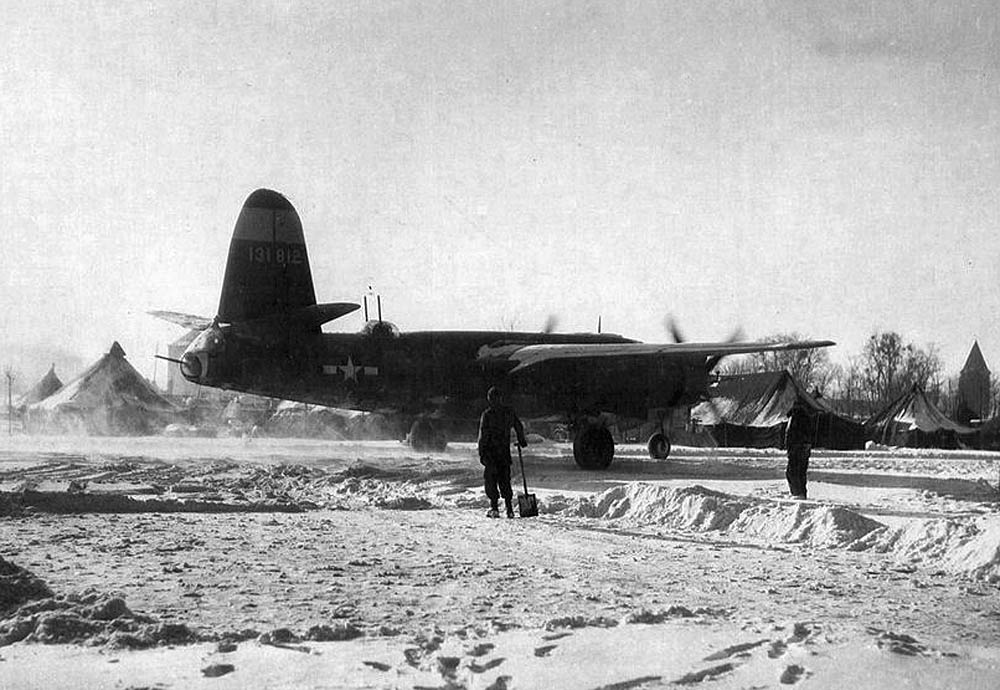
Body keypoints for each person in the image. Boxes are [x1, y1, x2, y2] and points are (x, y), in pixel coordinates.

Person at [477, 386, 528, 518]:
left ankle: (494, 509)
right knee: (505, 479)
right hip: (504, 453)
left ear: (490, 399)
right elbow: (518, 425)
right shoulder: (508, 412)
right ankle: (509, 509)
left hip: (491, 454)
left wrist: (482, 453)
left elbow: (483, 436)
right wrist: (521, 440)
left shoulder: (487, 415)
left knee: (491, 481)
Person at [784, 401, 813, 499]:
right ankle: (800, 493)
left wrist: (792, 448)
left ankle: (797, 494)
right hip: (801, 448)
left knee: (793, 472)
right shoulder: (804, 416)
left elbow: (793, 435)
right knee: (800, 472)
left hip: (797, 449)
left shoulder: (797, 417)